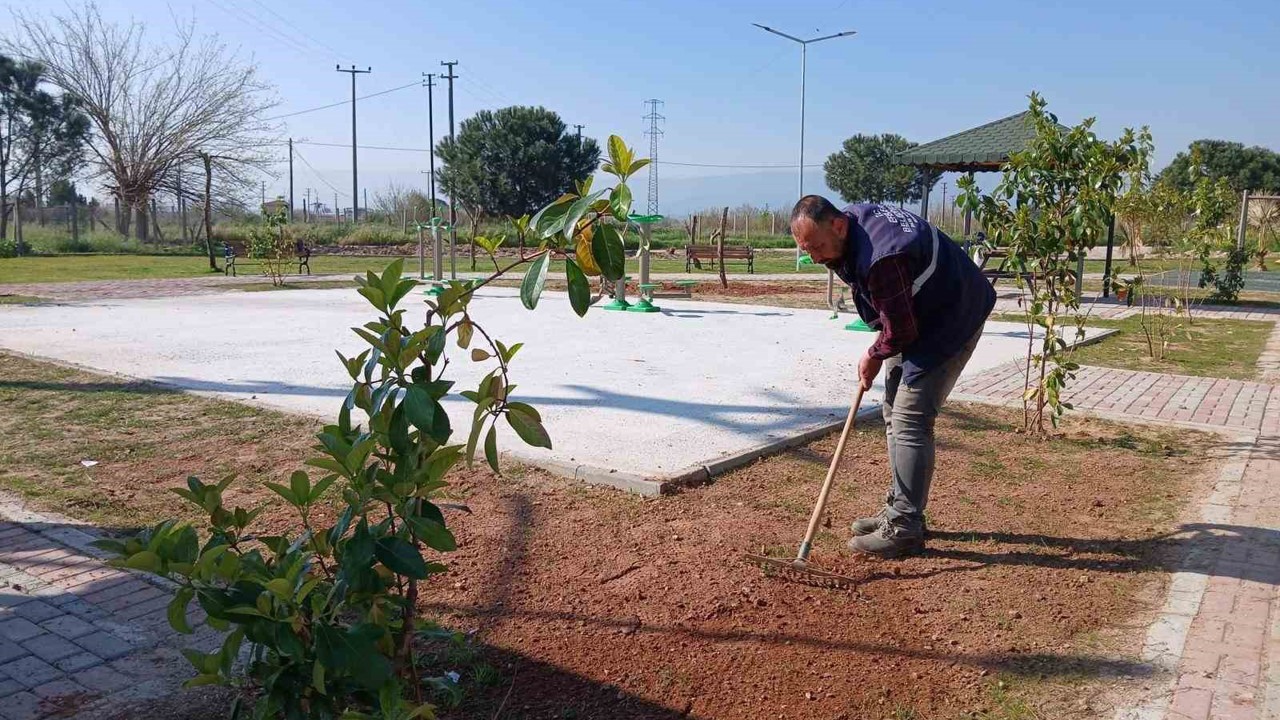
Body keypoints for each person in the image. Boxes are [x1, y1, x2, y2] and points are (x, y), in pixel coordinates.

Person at [790, 196, 996, 558]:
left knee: (911, 418)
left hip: (952, 316)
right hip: (920, 312)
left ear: (838, 226)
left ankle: (904, 526)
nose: (817, 258)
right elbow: (894, 313)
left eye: (818, 247)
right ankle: (901, 506)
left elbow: (900, 328)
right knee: (892, 411)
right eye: (807, 251)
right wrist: (881, 343)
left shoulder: (883, 257)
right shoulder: (851, 225)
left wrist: (873, 353)